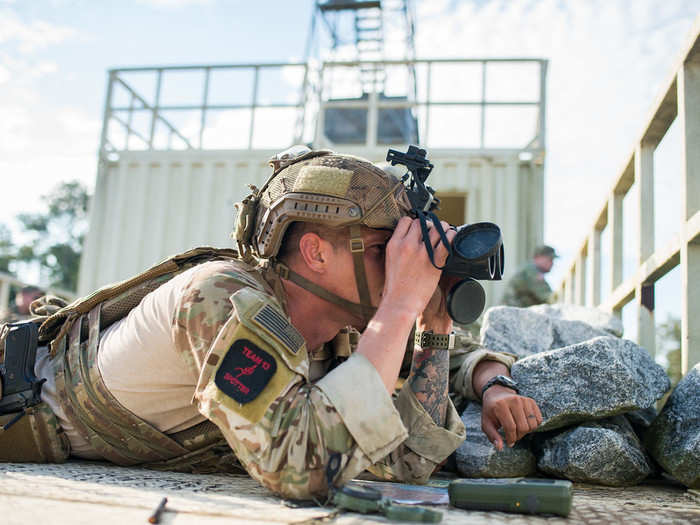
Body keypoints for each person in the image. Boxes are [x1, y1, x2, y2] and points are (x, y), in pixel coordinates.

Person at [0, 147, 542, 500]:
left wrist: (456, 346)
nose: (404, 267)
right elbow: (302, 465)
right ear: (315, 253)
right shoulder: (220, 298)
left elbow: (408, 463)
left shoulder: (341, 328)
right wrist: (402, 306)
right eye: (385, 250)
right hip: (16, 400)